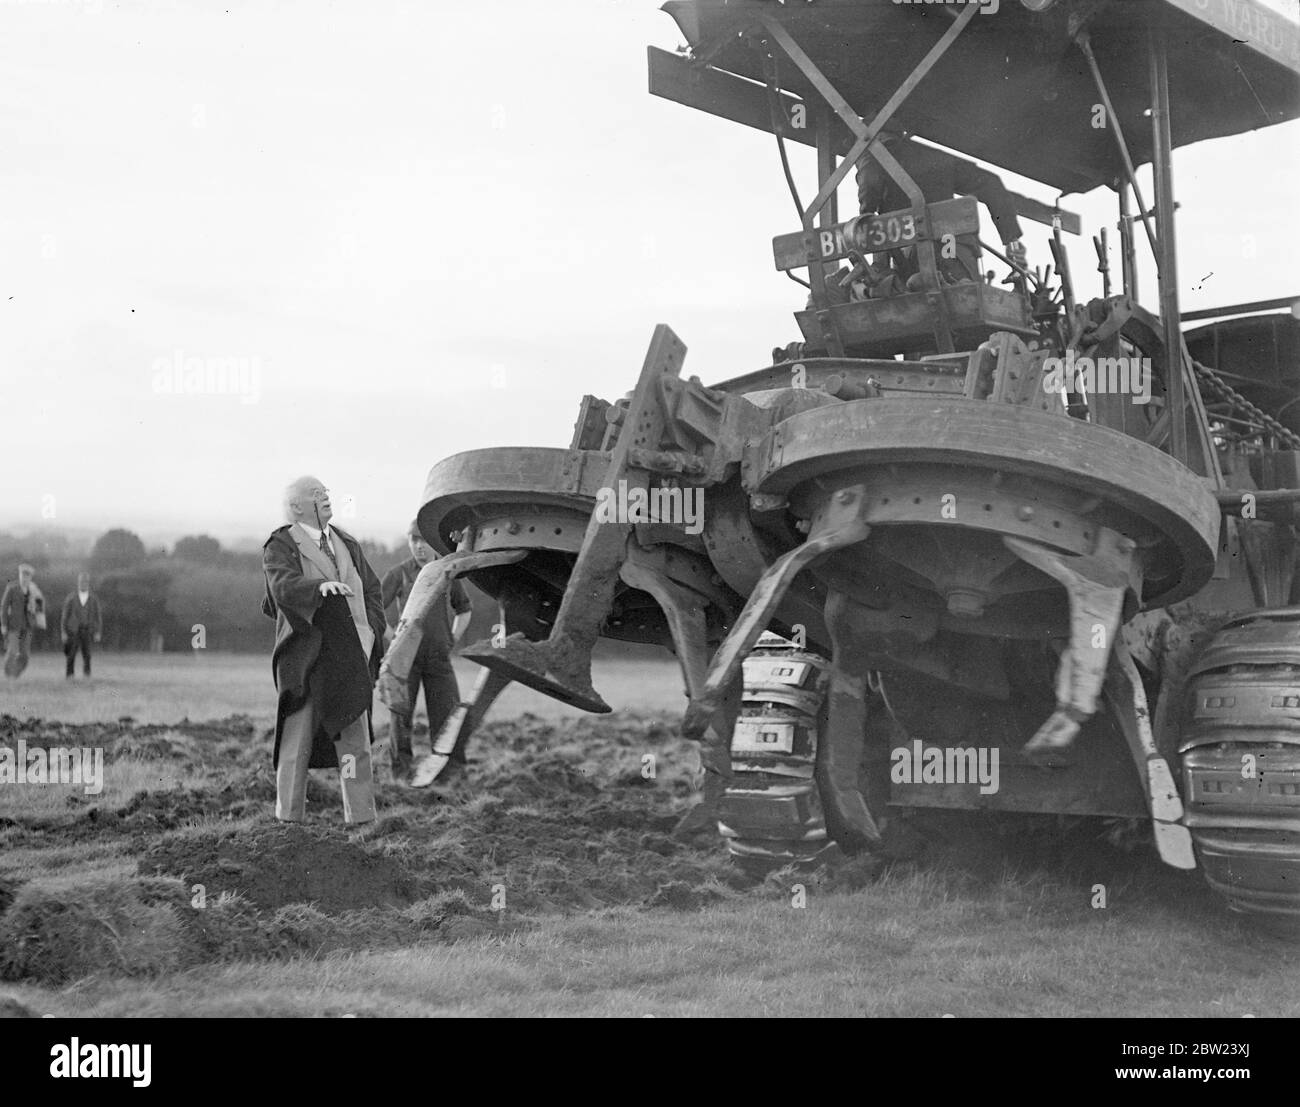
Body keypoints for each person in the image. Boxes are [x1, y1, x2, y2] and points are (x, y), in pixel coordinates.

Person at [261, 476, 386, 825]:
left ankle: (362, 821)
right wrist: (318, 589)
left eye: (326, 492)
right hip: (308, 658)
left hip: (350, 658)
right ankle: (289, 822)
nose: (326, 498)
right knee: (296, 741)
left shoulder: (347, 542)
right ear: (297, 507)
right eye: (316, 494)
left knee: (355, 740)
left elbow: (372, 590)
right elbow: (281, 585)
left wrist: (373, 629)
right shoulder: (281, 544)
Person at [855, 129, 1027, 295]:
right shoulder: (935, 156)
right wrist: (1012, 241)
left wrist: (865, 222)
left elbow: (869, 185)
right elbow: (991, 184)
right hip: (953, 247)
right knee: (961, 299)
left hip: (915, 256)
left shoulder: (873, 155)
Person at [380, 522, 472, 780]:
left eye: (423, 540)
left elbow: (464, 609)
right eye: (413, 540)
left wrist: (452, 638)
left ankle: (449, 773)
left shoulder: (447, 571)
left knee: (448, 715)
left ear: (434, 542)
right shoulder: (399, 574)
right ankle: (401, 774)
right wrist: (393, 639)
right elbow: (374, 609)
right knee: (401, 717)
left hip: (439, 658)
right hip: (405, 661)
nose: (419, 546)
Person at [1, 564, 45, 679]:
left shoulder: (34, 590)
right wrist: (4, 624)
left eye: (27, 576)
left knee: (25, 655)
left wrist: (35, 608)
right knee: (12, 652)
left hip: (28, 626)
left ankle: (15, 675)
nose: (24, 578)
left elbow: (40, 607)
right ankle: (8, 675)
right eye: (22, 575)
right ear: (19, 575)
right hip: (14, 626)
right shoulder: (12, 588)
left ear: (30, 577)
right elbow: (4, 607)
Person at [61, 571, 103, 679]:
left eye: (85, 582)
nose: (83, 584)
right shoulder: (71, 598)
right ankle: (70, 676)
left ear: (88, 583)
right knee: (71, 654)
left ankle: (87, 675)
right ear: (78, 583)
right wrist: (63, 632)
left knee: (87, 654)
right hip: (73, 630)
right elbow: (64, 616)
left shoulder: (93, 599)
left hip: (87, 630)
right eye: (81, 582)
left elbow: (98, 617)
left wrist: (98, 631)